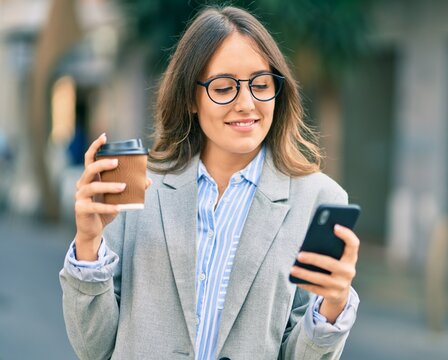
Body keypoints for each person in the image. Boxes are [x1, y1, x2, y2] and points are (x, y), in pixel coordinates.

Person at [60, 5, 360, 360]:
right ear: (190, 97)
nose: (247, 104)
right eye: (223, 87)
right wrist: (89, 245)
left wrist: (333, 306)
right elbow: (94, 349)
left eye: (261, 84)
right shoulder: (140, 187)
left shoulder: (318, 199)